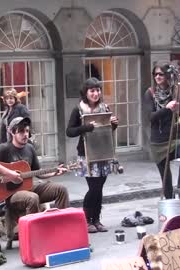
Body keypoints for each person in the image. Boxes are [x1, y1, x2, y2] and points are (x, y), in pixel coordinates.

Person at [0, 116, 69, 248]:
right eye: (21, 131)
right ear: (12, 132)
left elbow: (38, 173)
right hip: (12, 194)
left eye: (27, 131)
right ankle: (34, 238)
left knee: (61, 189)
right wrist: (8, 173)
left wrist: (55, 172)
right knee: (32, 198)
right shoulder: (4, 148)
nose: (25, 134)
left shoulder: (30, 149)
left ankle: (61, 230)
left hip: (29, 187)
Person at [66, 77, 118, 233]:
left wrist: (114, 124)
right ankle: (86, 219)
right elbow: (70, 131)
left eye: (98, 90)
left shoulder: (104, 107)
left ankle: (96, 220)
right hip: (87, 155)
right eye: (92, 91)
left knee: (100, 188)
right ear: (86, 93)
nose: (95, 93)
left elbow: (108, 131)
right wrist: (86, 128)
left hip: (103, 152)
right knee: (93, 188)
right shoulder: (79, 109)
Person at [143, 62, 180, 203]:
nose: (157, 77)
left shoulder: (179, 92)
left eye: (161, 74)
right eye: (155, 74)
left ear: (168, 75)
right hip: (158, 142)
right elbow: (150, 117)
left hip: (177, 137)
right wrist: (167, 109)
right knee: (166, 178)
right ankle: (170, 207)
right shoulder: (150, 93)